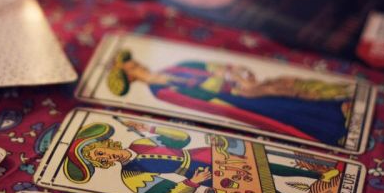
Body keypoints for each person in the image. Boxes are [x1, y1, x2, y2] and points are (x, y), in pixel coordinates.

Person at [63, 121, 340, 193]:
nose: (105, 157)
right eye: (99, 159)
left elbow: (181, 139)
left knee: (266, 165)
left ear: (107, 144)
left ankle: (318, 174)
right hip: (199, 174)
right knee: (258, 190)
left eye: (101, 151)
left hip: (201, 153)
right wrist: (193, 183)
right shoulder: (130, 174)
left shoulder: (139, 141)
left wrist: (150, 127)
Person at [105, 49, 353, 145]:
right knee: (281, 112)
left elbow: (215, 66)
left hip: (240, 87)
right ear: (131, 78)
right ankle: (332, 130)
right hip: (233, 101)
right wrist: (232, 91)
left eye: (136, 63)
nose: (140, 66)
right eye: (134, 68)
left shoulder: (175, 66)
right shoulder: (160, 91)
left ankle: (336, 107)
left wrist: (236, 75)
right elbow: (201, 101)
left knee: (287, 97)